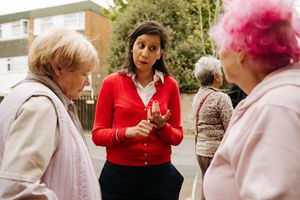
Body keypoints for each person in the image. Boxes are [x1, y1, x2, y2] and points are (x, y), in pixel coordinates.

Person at [203, 0, 300, 199]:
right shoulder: (274, 100)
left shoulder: (275, 108)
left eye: (223, 42)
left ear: (241, 51)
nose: (220, 53)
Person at [0, 28, 101, 199]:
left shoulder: (27, 95)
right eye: (84, 73)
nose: (88, 82)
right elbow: (19, 188)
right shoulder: (41, 105)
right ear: (58, 68)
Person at [92, 21, 184, 200]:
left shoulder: (170, 85)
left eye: (152, 48)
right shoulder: (111, 83)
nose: (144, 53)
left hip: (160, 177)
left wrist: (162, 126)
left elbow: (178, 136)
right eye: (141, 45)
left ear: (160, 53)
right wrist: (128, 132)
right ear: (131, 46)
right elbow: (97, 135)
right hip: (119, 176)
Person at [192, 56, 233, 200]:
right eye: (220, 72)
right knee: (219, 192)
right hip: (216, 152)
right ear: (216, 77)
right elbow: (231, 127)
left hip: (201, 152)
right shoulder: (220, 98)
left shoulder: (198, 95)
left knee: (207, 187)